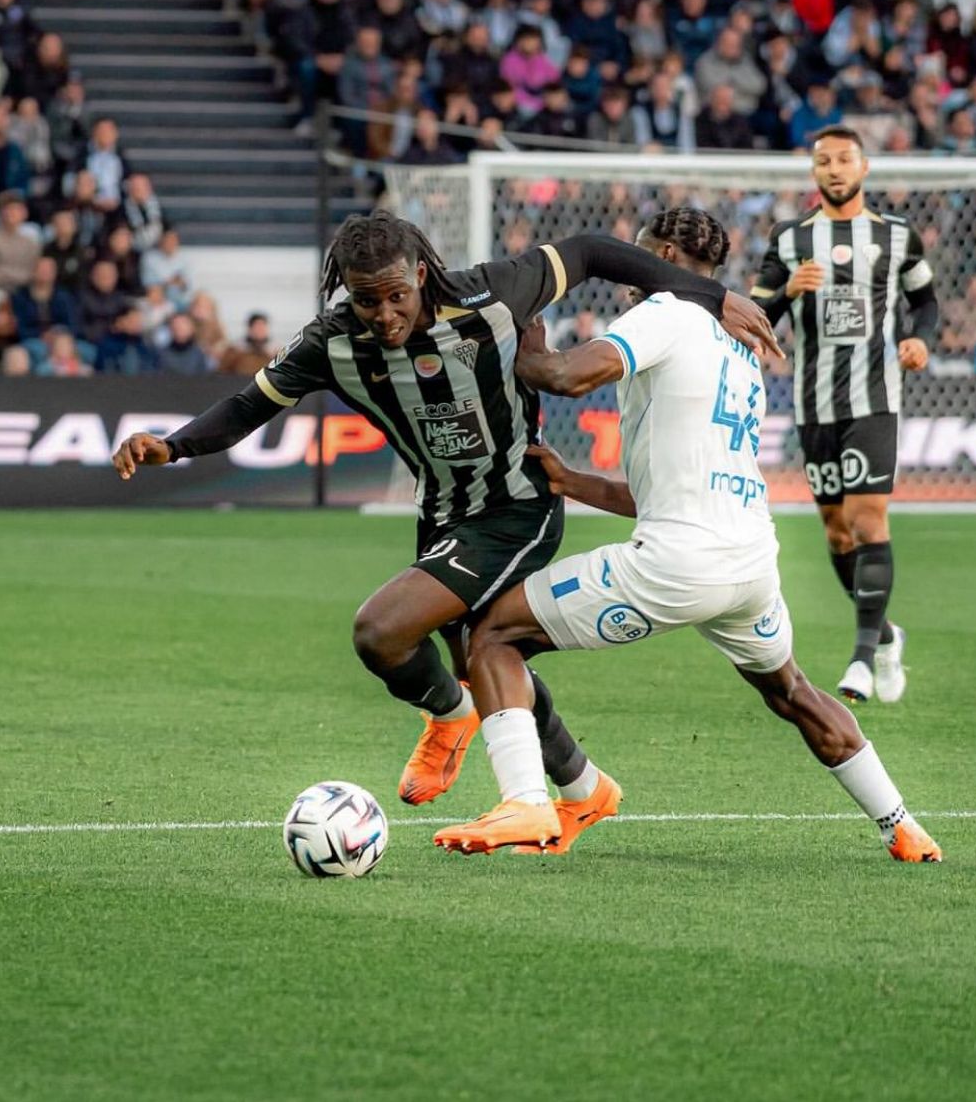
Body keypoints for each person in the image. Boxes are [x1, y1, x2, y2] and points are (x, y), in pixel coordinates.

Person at [111, 213, 780, 841]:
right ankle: (582, 787)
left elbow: (587, 251)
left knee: (381, 631)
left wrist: (706, 296)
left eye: (395, 296)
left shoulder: (490, 295)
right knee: (478, 657)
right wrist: (173, 446)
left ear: (420, 275)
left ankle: (451, 719)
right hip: (441, 511)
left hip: (518, 503)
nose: (384, 314)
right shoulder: (330, 343)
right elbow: (247, 404)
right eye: (366, 300)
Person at [432, 207, 941, 865]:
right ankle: (901, 824)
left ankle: (529, 801)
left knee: (490, 635)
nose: (627, 276)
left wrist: (526, 322)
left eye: (640, 256)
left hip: (675, 566)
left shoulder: (663, 312)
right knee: (791, 690)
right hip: (750, 565)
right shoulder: (739, 348)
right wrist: (575, 481)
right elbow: (670, 485)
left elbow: (563, 377)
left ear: (665, 254)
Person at [750, 126, 939, 703]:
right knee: (837, 535)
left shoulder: (897, 236)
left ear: (864, 167)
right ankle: (883, 637)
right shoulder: (788, 240)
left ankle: (859, 661)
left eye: (844, 159)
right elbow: (754, 317)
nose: (834, 169)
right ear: (813, 173)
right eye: (823, 161)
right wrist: (786, 294)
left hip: (875, 400)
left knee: (867, 521)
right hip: (813, 407)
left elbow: (924, 301)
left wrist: (919, 341)